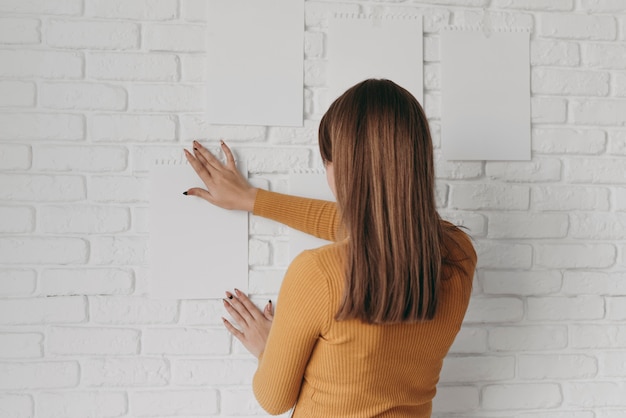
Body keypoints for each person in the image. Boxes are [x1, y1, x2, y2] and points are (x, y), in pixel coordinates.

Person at [183, 79, 477, 417]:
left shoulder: (318, 274)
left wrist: (269, 347)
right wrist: (252, 199)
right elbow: (367, 223)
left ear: (345, 170)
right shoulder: (459, 255)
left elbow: (274, 400)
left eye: (327, 162)